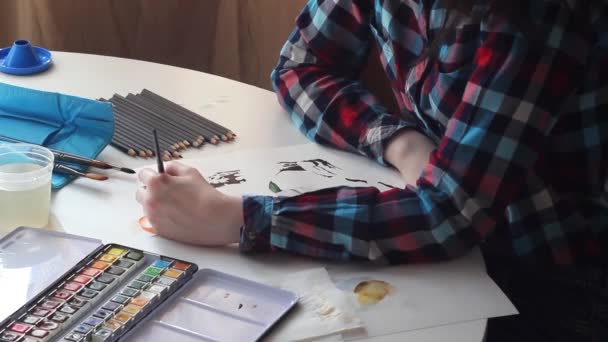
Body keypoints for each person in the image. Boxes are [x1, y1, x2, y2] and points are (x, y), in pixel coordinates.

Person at [136, 0, 608, 340]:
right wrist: (398, 142)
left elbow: (450, 215)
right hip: (447, 237)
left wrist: (240, 219)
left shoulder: (541, 17)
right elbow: (300, 66)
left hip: (553, 278)